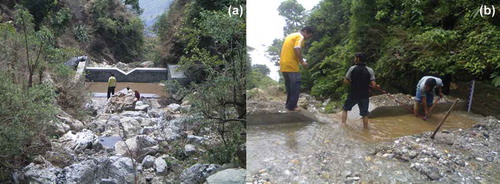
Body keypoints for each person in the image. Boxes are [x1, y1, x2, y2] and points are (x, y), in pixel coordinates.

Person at [279, 26, 314, 111]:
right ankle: (293, 106)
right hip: (291, 64)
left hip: (283, 64)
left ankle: (288, 105)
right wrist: (302, 61)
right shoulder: (300, 36)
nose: (308, 38)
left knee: (289, 86)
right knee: (295, 85)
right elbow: (297, 48)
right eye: (309, 35)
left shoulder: (290, 35)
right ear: (305, 32)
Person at [341, 52, 378, 129]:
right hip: (364, 95)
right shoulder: (370, 70)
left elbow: (345, 81)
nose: (354, 59)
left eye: (355, 58)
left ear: (358, 59)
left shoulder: (352, 69)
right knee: (364, 114)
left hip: (353, 94)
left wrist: (352, 82)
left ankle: (343, 125)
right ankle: (366, 129)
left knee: (345, 109)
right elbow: (374, 85)